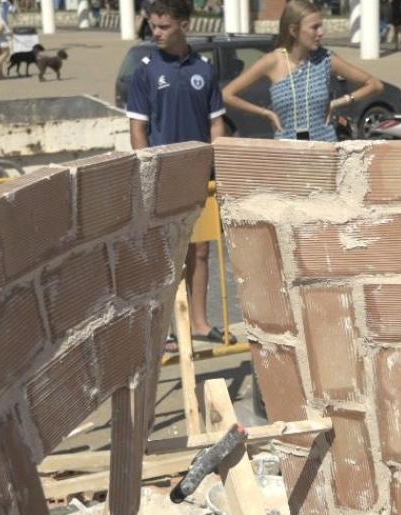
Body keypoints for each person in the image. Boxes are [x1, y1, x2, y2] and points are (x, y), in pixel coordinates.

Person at [125, 0, 224, 347]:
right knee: (166, 256)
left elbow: (216, 123)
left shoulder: (205, 69)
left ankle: (199, 323)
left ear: (184, 25)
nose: (156, 32)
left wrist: (219, 163)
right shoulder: (146, 70)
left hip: (199, 176)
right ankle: (165, 329)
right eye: (153, 25)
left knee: (200, 251)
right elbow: (138, 129)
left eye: (163, 26)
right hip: (163, 175)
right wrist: (148, 168)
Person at [223, 0, 383, 142]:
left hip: (324, 149)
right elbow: (227, 94)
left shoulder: (326, 59)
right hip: (287, 153)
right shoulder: (272, 61)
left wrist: (338, 102)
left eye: (321, 26)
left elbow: (374, 84)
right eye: (314, 27)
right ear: (294, 31)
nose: (321, 33)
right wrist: (266, 113)